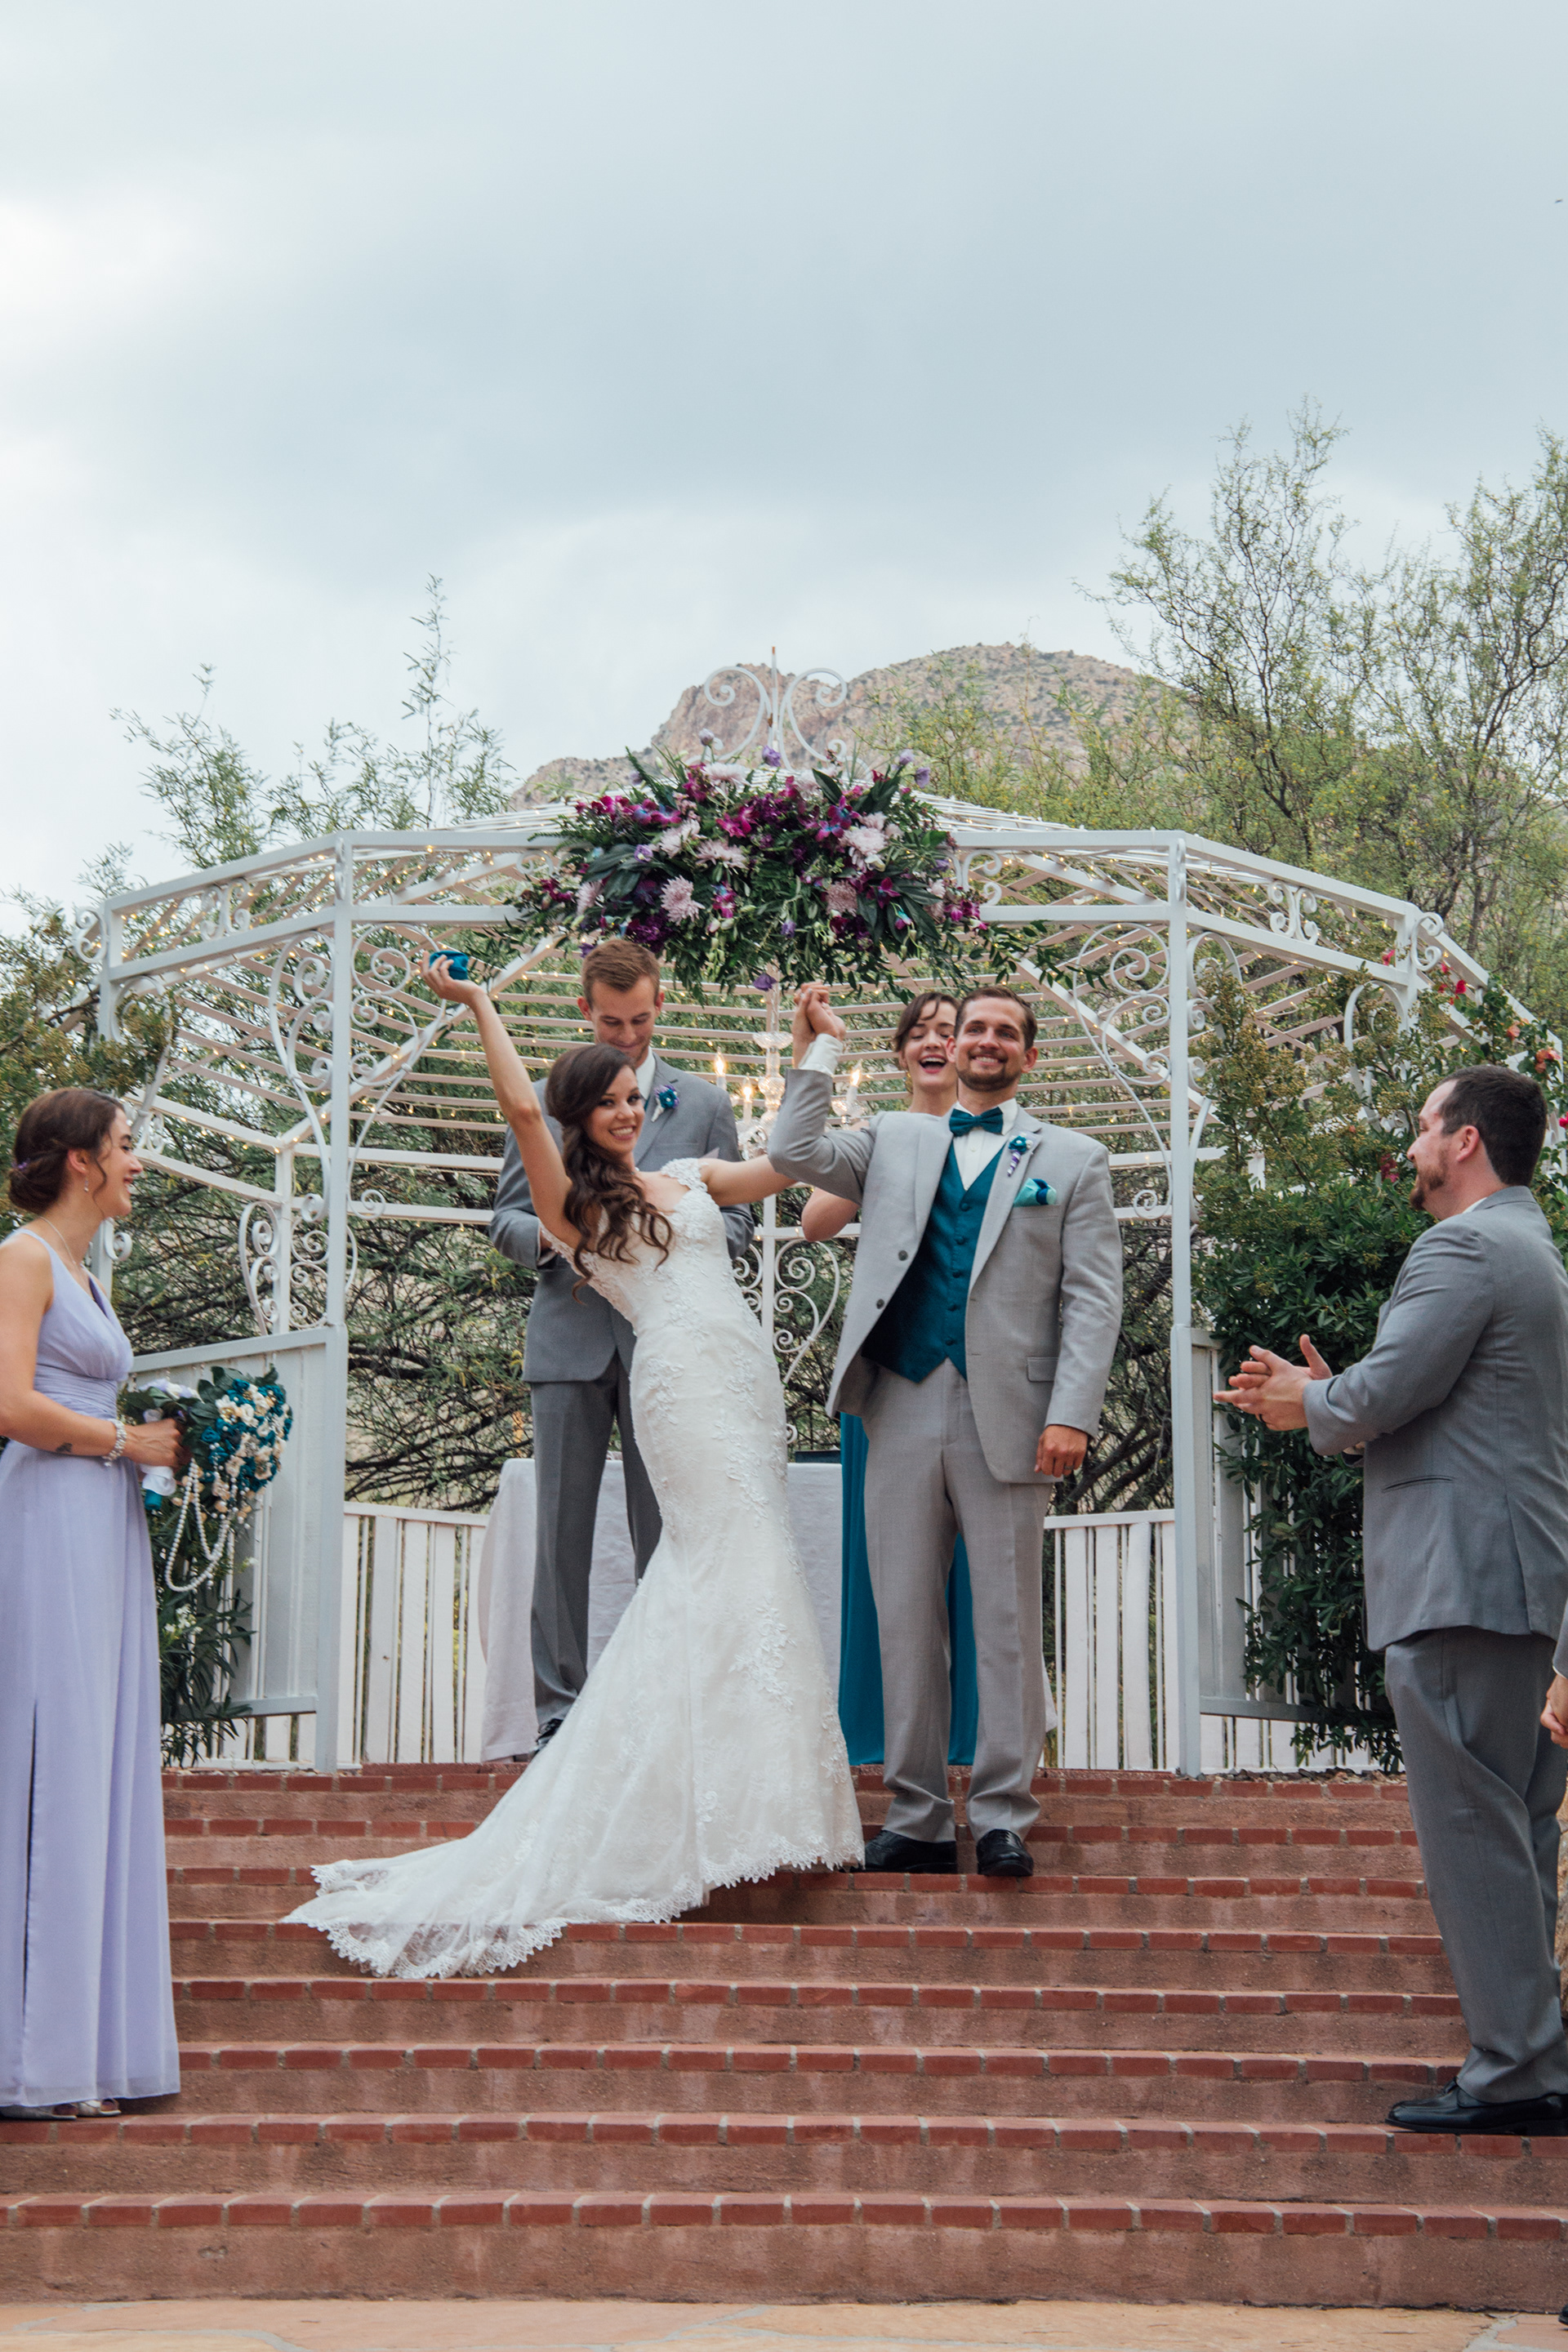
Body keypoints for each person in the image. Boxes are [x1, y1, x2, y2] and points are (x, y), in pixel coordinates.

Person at [287, 958, 862, 1977]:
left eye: (635, 1096)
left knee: (756, 1567)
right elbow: (519, 1108)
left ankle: (749, 1794)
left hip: (744, 1387)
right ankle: (677, 1788)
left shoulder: (693, 1179)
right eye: (609, 1102)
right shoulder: (575, 1211)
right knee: (714, 1566)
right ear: (578, 1119)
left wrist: (814, 1050)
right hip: (681, 1390)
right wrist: (480, 1006)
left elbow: (785, 1160)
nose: (630, 1110)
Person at [1219, 1064, 1568, 2136]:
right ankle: (1532, 2058)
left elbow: (1388, 1390)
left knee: (1473, 1834)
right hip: (1519, 1587)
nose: (1411, 1147)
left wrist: (1313, 1398)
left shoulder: (1461, 1247)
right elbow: (1435, 1404)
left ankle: (1515, 2073)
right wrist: (1335, 1398)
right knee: (1515, 1832)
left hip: (1461, 1586)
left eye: (1423, 1127)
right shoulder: (1534, 1250)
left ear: (1465, 1141)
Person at [768, 982, 1124, 1878]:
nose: (986, 1041)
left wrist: (1072, 1412)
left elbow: (1092, 1299)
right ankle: (919, 1815)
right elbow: (792, 1151)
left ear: (1029, 1056)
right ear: (954, 1045)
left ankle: (1002, 1814)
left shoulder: (1074, 1158)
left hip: (1014, 1412)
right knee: (903, 1617)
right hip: (900, 1397)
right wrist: (817, 1049)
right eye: (974, 1029)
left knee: (1005, 1620)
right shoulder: (893, 1136)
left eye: (1006, 1032)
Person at [490, 938, 751, 1750]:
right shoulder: (547, 1097)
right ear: (585, 1011)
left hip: (669, 1350)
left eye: (640, 1021)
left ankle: (661, 1705)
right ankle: (559, 1711)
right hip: (568, 1341)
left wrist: (666, 1246)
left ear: (659, 1005)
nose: (628, 1037)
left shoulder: (703, 1103)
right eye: (612, 1023)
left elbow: (738, 1221)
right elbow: (505, 1218)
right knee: (558, 1537)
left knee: (667, 1530)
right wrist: (565, 1241)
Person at [0, 1089, 185, 2121]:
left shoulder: (85, 1275)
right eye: (124, 1146)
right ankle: (36, 2056)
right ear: (80, 1160)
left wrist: (158, 1448)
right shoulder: (22, 1260)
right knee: (56, 1757)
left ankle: (90, 2045)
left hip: (102, 1521)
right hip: (49, 1517)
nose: (135, 1163)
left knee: (101, 1756)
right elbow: (10, 1404)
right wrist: (125, 1440)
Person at [797, 992, 980, 1769]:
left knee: (981, 1574)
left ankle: (973, 1735)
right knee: (890, 1571)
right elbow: (814, 1222)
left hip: (980, 1385)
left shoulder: (1003, 1139)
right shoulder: (877, 1138)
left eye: (950, 1031)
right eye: (921, 1033)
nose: (936, 1042)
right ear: (903, 1053)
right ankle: (879, 1732)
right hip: (891, 1378)